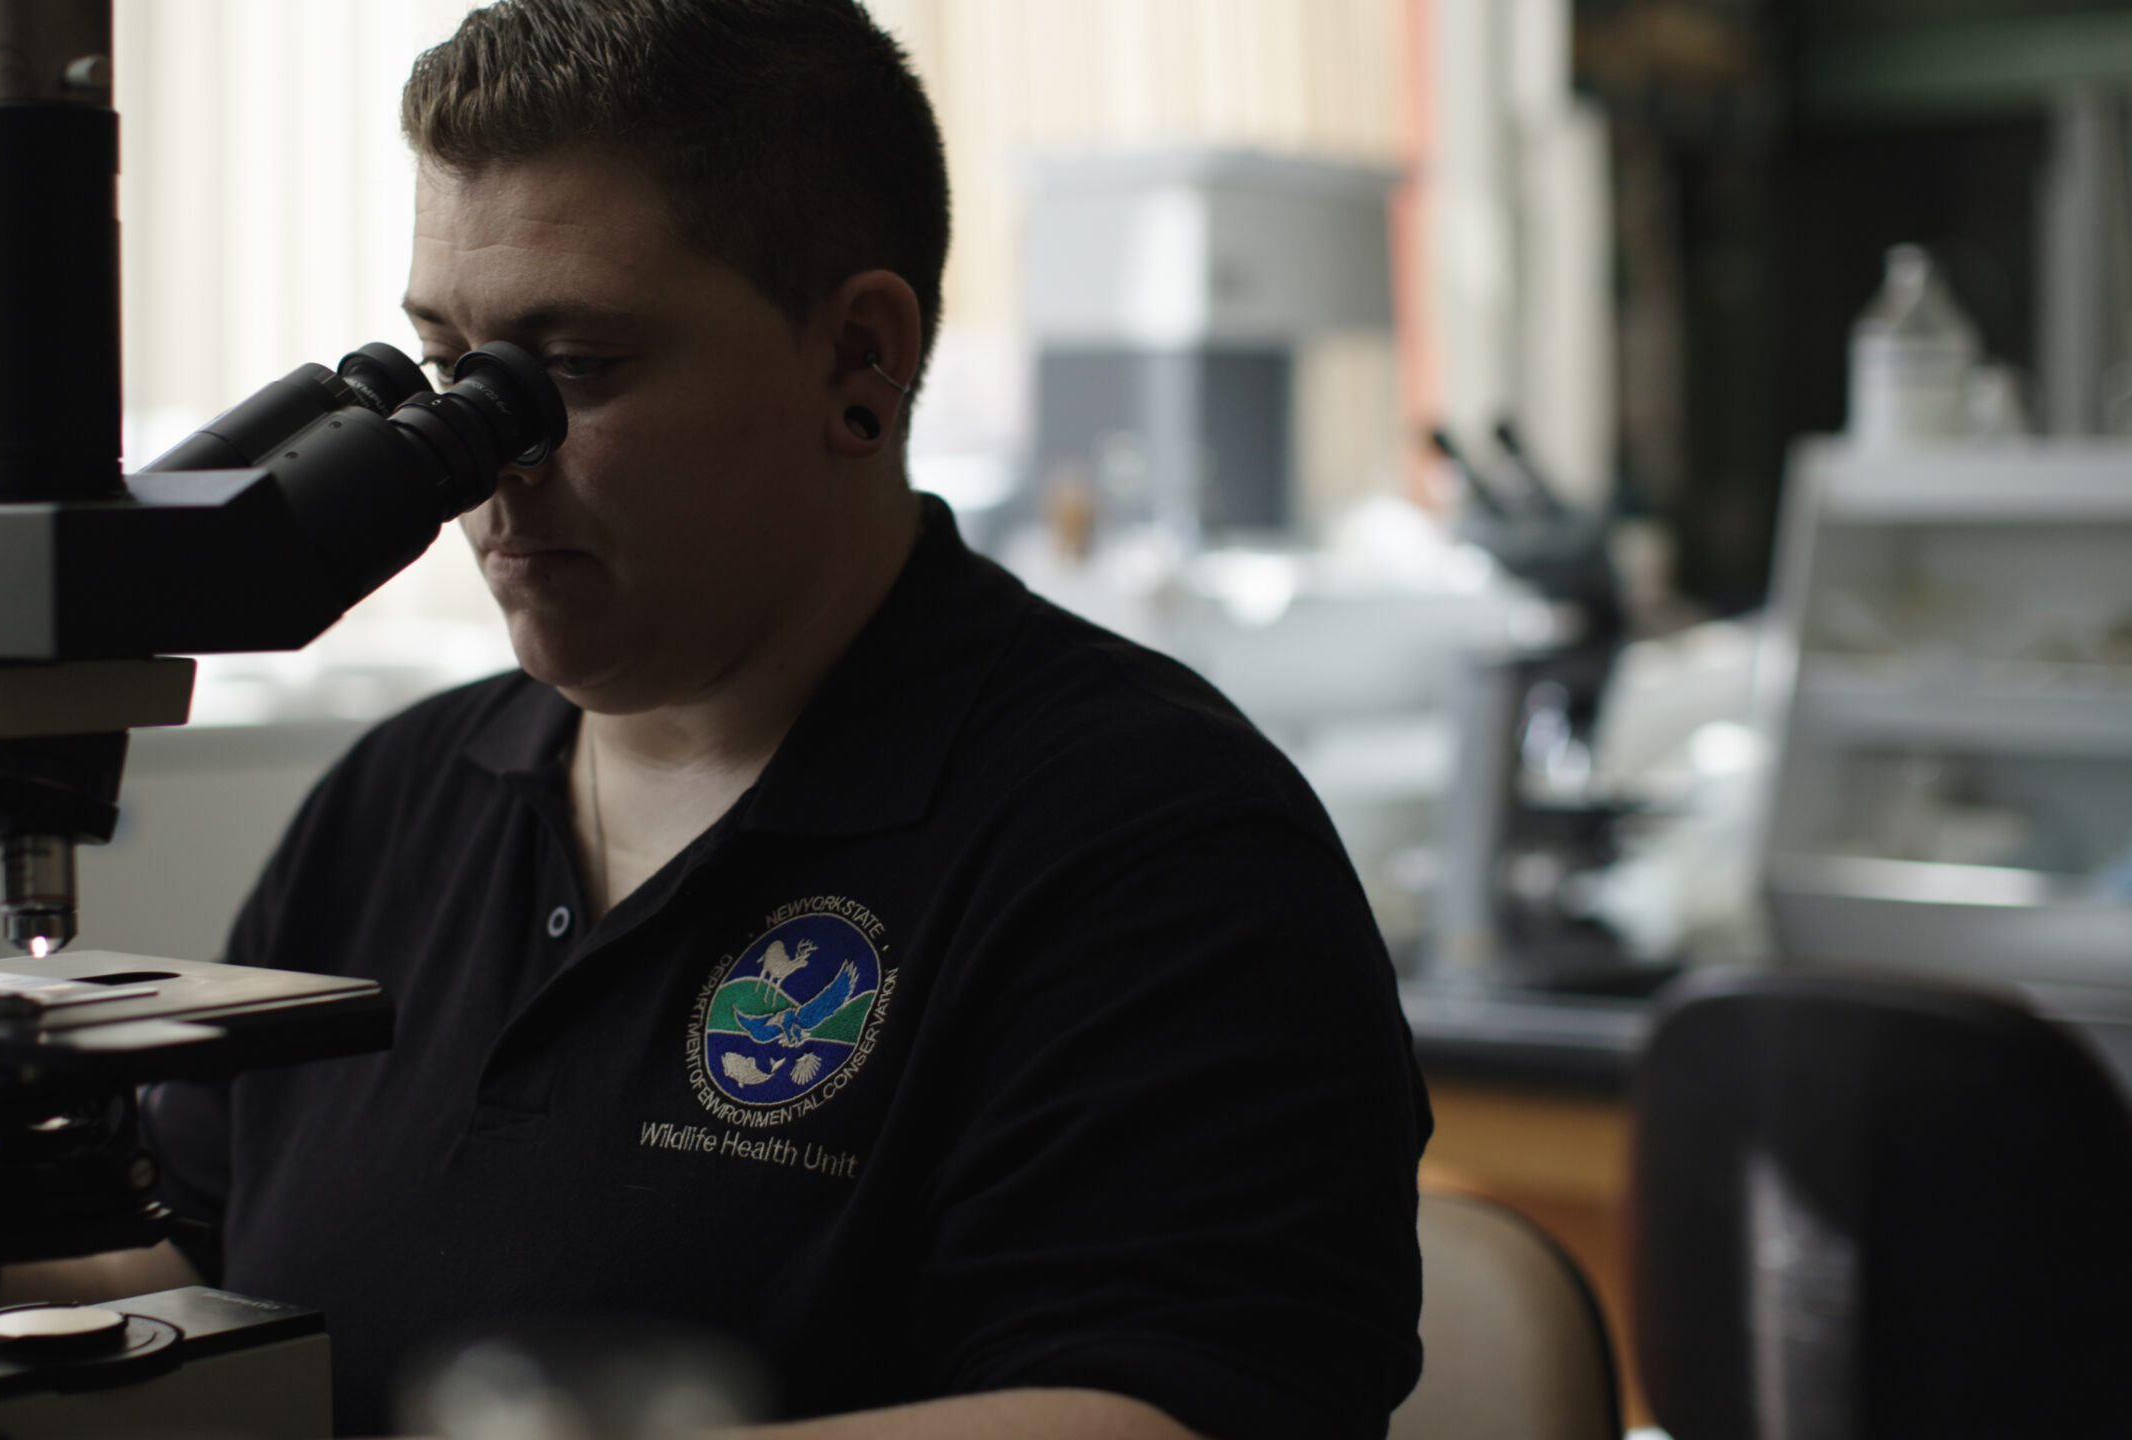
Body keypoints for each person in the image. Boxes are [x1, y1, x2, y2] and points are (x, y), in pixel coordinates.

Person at [132, 2, 1434, 1435]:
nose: (480, 472)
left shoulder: (1150, 846)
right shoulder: (393, 803)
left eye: (566, 374)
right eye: (449, 375)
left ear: (856, 365)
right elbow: (183, 1270)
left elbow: (1172, 1410)